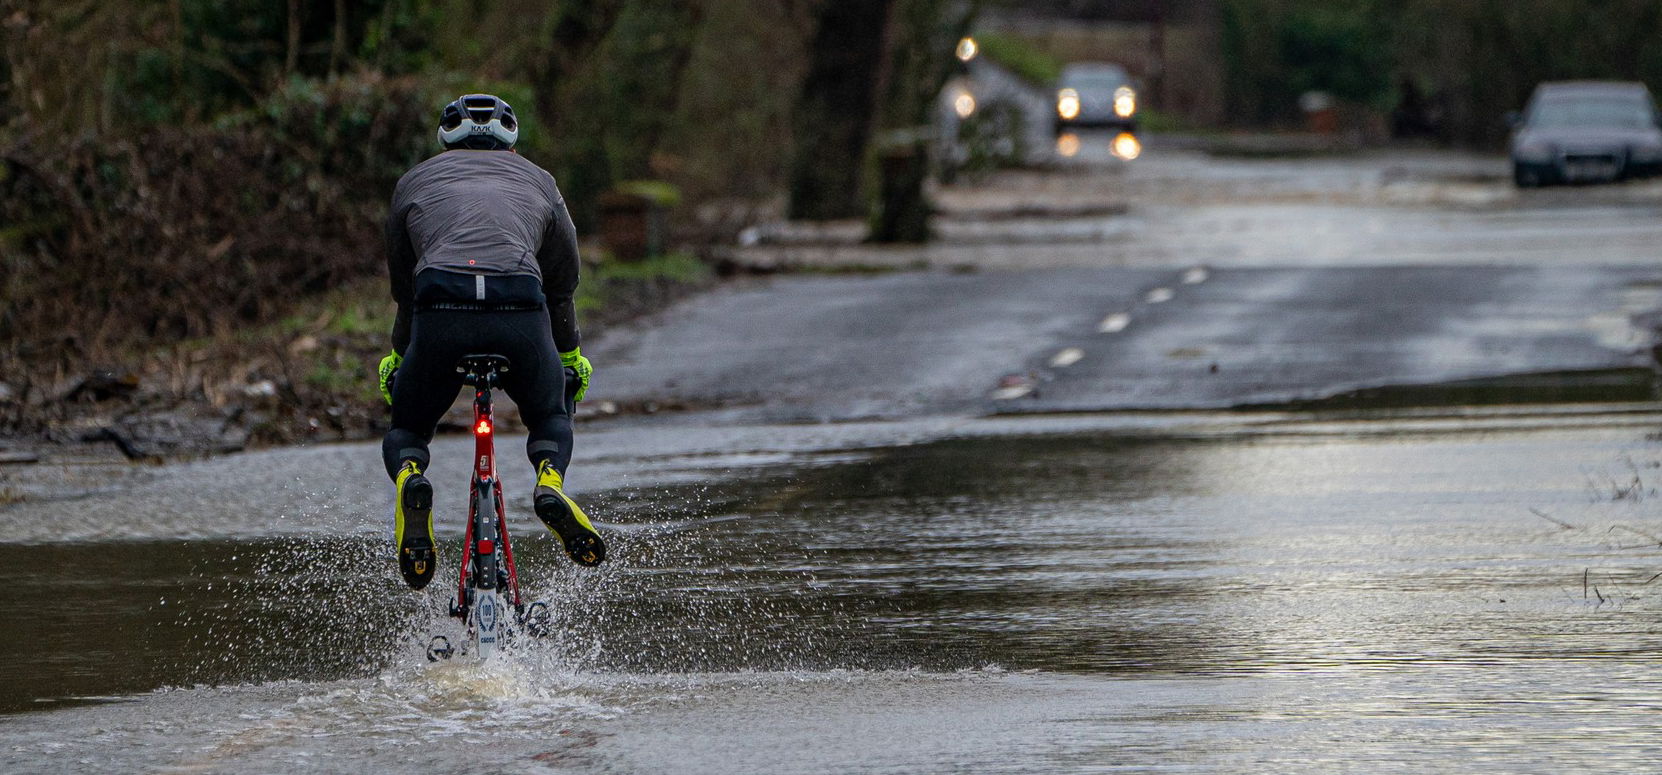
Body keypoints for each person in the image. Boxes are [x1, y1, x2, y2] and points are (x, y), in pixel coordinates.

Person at [377, 93, 605, 590]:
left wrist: (400, 356)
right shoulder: (540, 181)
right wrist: (568, 358)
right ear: (512, 139)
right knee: (549, 415)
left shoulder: (414, 181)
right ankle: (549, 482)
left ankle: (412, 481)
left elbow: (404, 290)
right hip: (519, 309)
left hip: (440, 308)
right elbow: (562, 283)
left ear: (444, 138)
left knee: (407, 430)